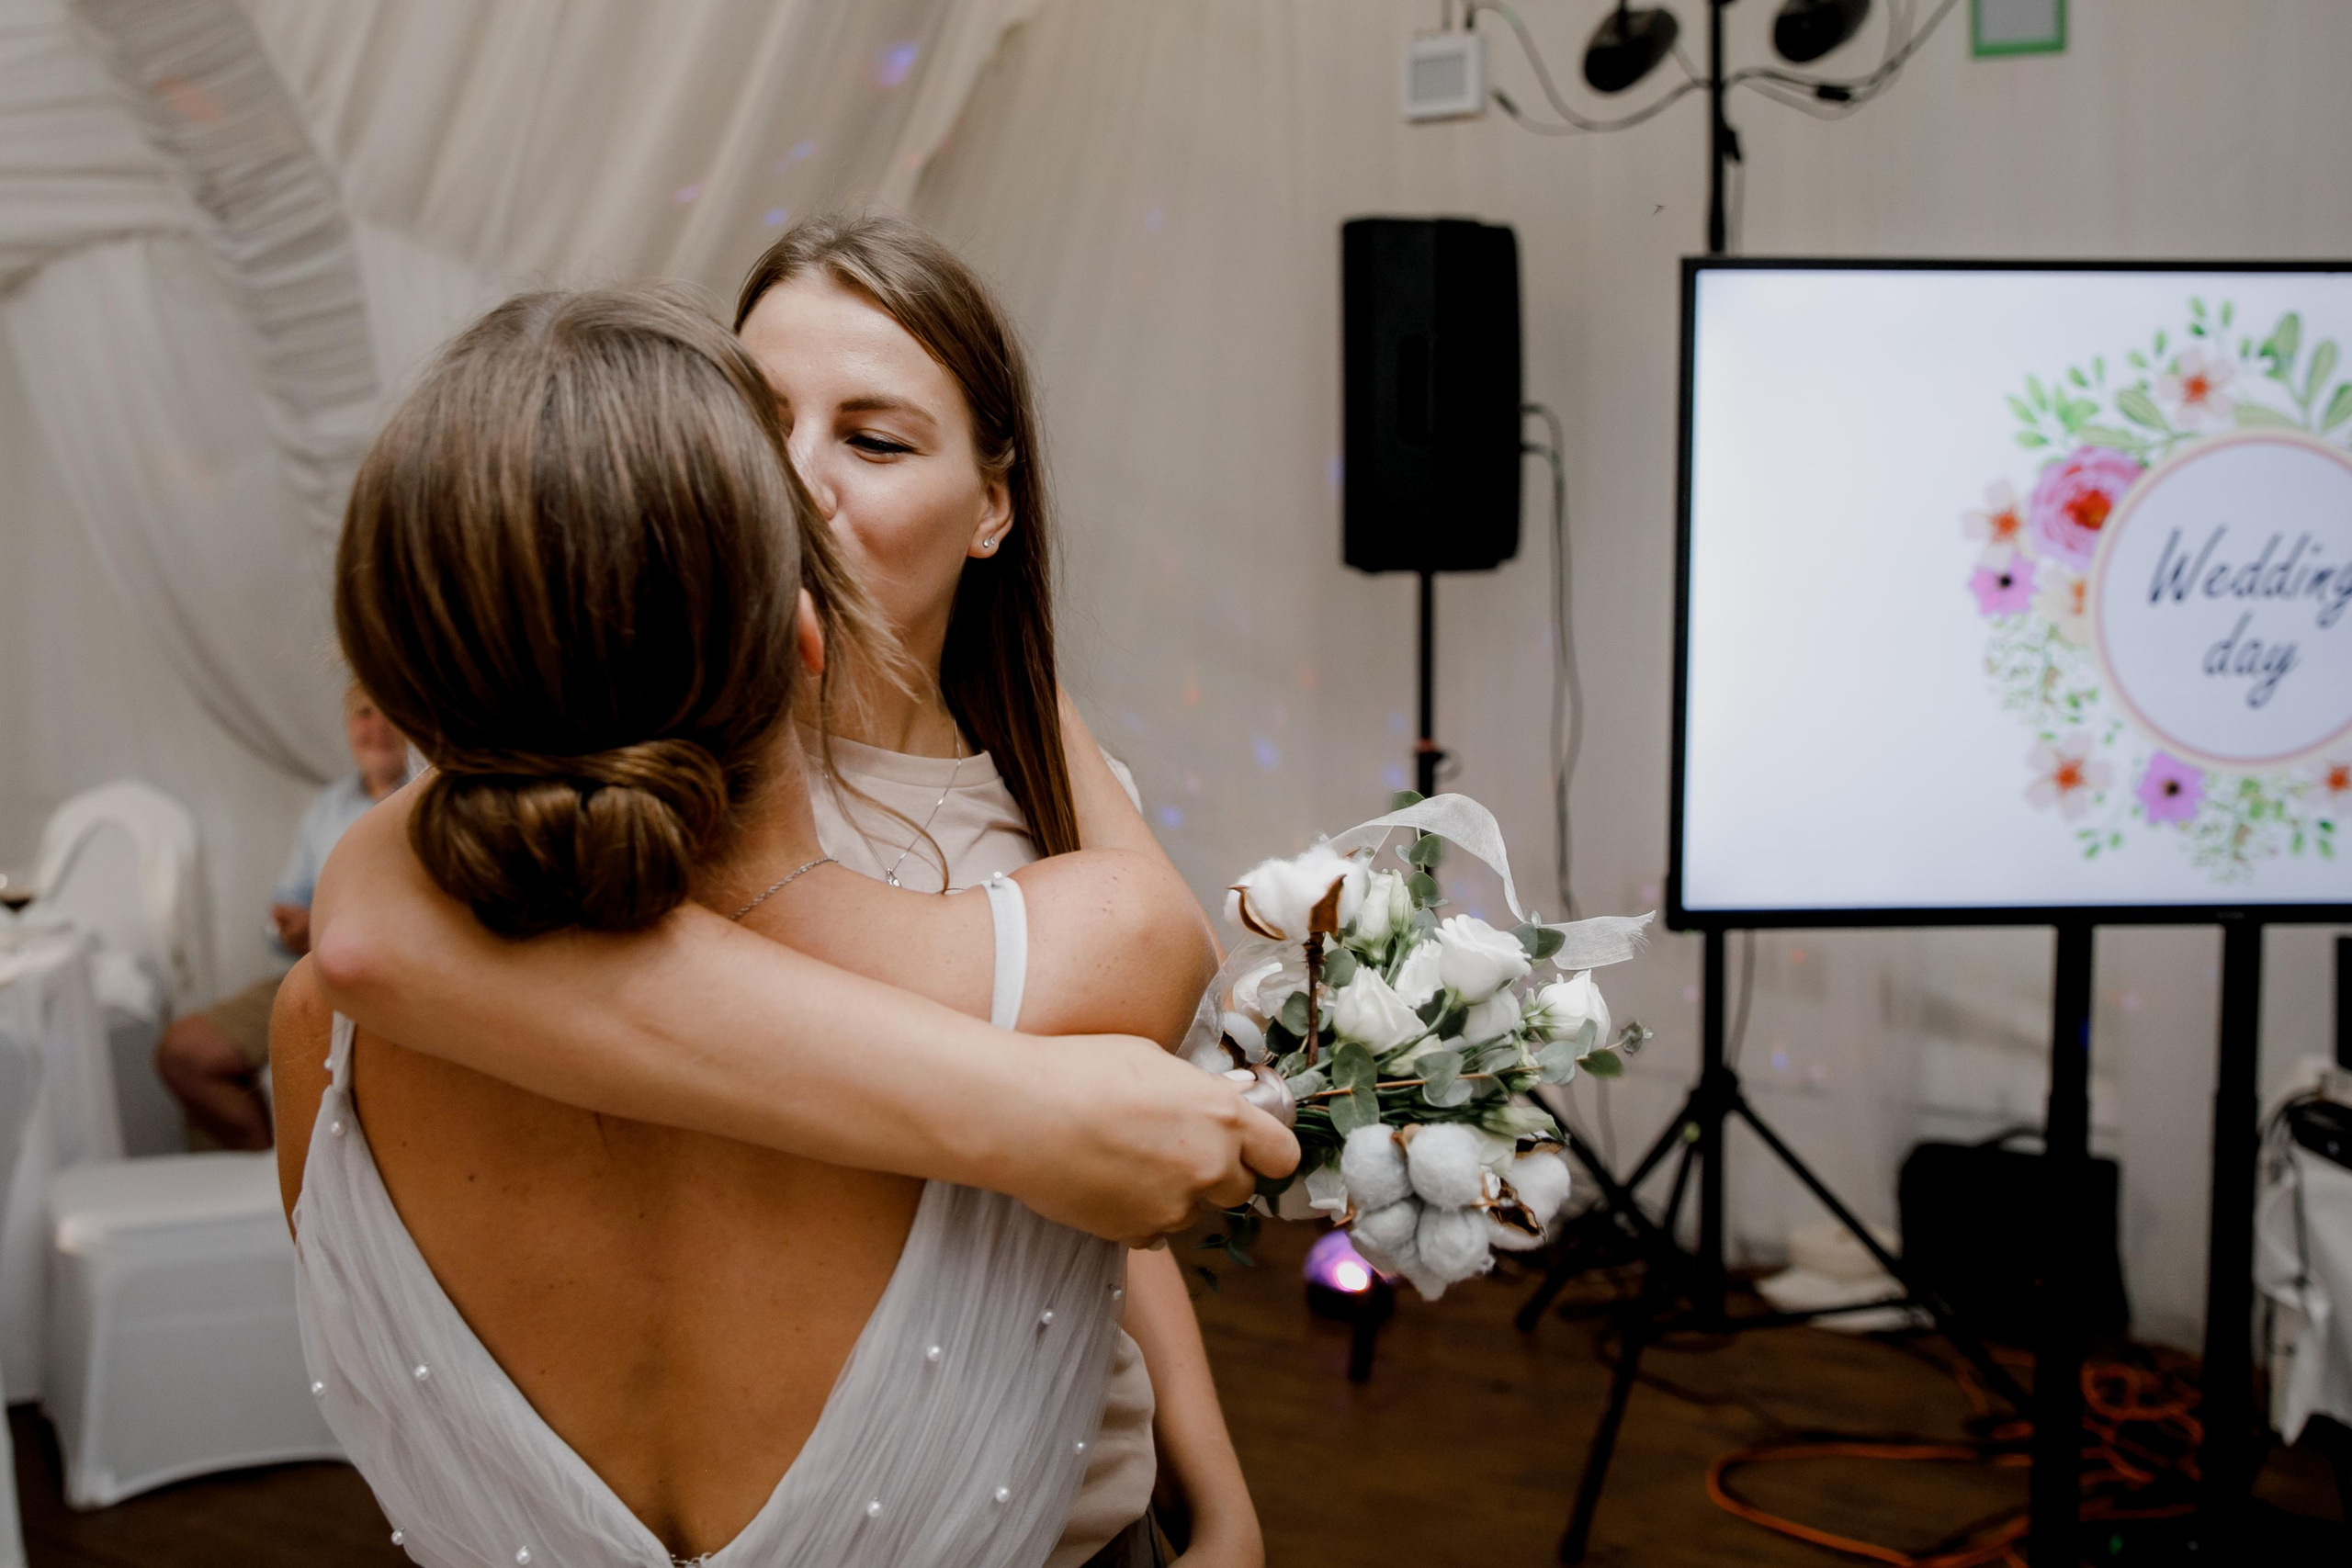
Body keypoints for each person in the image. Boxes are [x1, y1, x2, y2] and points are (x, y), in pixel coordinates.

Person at [309, 217, 1272, 1563]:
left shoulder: (1047, 814)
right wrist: (1016, 1100)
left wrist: (1212, 1484)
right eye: (752, 432)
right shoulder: (1079, 933)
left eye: (874, 439)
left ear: (996, 501)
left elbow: (1104, 1166)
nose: (802, 482)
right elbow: (1105, 1074)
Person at [153, 681, 408, 1148]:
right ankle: (264, 1174)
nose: (376, 729)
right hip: (311, 972)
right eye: (363, 714)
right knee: (185, 1053)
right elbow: (283, 905)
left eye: (388, 713)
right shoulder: (329, 807)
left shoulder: (432, 802)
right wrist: (287, 930)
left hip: (392, 989)